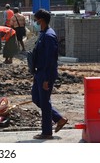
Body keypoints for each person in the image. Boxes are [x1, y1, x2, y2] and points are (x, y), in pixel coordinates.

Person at [31, 9, 68, 140]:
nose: (34, 23)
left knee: (45, 102)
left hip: (46, 74)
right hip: (39, 72)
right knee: (36, 98)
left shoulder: (49, 36)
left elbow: (50, 59)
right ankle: (59, 118)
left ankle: (46, 132)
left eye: (35, 20)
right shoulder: (43, 33)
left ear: (41, 20)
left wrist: (46, 78)